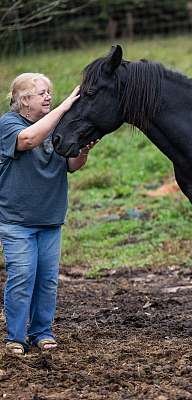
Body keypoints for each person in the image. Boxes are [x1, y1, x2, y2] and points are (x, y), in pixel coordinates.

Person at [0, 73, 95, 354]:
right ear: (24, 100)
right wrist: (64, 107)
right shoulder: (9, 124)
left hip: (50, 218)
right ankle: (15, 338)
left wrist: (83, 151)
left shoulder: (55, 126)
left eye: (49, 92)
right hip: (16, 221)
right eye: (41, 93)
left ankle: (42, 332)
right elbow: (27, 140)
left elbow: (72, 164)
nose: (48, 97)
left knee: (47, 280)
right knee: (22, 277)